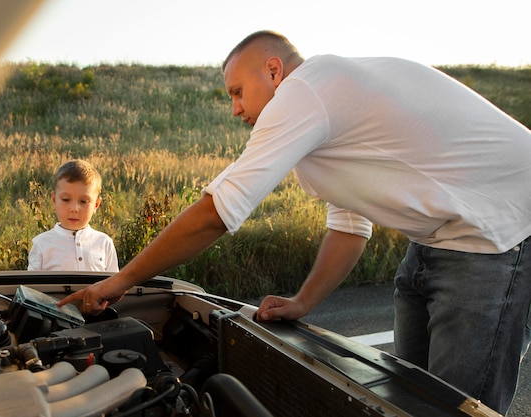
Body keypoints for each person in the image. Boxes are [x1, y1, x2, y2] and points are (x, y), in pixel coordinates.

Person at [59, 31, 531, 414]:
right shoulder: (328, 114)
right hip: (434, 241)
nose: (235, 109)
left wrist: (117, 283)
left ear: (274, 69)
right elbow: (350, 226)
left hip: (498, 235)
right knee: (406, 402)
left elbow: (218, 212)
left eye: (237, 92)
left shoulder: (309, 88)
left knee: (457, 410)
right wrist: (305, 301)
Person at [28, 159, 119, 272]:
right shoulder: (41, 245)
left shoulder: (104, 243)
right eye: (66, 200)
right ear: (54, 200)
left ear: (96, 204)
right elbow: (30, 289)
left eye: (83, 201)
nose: (74, 209)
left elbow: (114, 286)